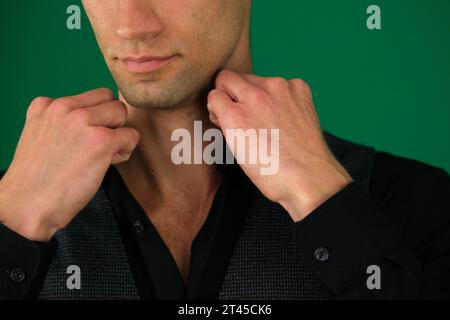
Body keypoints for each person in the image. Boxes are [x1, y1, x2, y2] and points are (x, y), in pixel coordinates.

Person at [0, 0, 449, 300]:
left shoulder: (418, 204)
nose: (130, 25)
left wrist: (323, 198)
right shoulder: (15, 210)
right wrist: (12, 225)